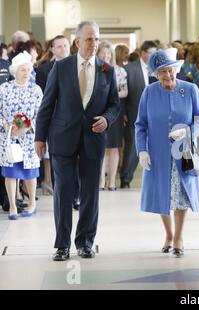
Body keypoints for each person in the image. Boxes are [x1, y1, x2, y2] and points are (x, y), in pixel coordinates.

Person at [34, 21, 120, 261]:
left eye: (97, 39)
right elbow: (47, 105)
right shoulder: (60, 68)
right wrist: (40, 138)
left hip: (93, 139)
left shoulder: (107, 70)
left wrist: (107, 118)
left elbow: (114, 104)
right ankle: (62, 245)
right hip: (63, 138)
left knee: (91, 193)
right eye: (90, 39)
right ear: (77, 42)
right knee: (63, 191)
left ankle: (85, 242)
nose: (94, 44)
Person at [135, 49, 199, 257]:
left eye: (170, 70)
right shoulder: (149, 92)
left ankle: (179, 237)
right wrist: (142, 151)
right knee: (163, 194)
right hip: (157, 153)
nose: (167, 76)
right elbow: (140, 124)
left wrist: (189, 133)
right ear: (156, 75)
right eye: (162, 72)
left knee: (181, 195)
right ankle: (168, 234)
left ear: (176, 69)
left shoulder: (190, 89)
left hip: (183, 151)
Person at [0, 51, 42, 220]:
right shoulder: (4, 89)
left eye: (28, 69)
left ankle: (32, 203)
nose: (27, 73)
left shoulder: (35, 89)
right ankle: (12, 206)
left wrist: (25, 127)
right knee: (10, 172)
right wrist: (6, 124)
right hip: (8, 136)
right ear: (14, 71)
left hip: (28, 137)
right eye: (23, 70)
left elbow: (41, 113)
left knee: (30, 172)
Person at [35, 35, 71, 196]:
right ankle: (61, 194)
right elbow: (43, 100)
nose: (63, 49)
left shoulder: (79, 66)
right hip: (55, 121)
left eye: (65, 45)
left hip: (75, 120)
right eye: (59, 46)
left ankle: (75, 195)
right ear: (52, 49)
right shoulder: (44, 70)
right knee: (59, 159)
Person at [120, 40, 158, 189]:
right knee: (133, 147)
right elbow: (123, 94)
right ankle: (126, 178)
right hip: (134, 113)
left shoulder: (158, 69)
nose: (155, 56)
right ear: (143, 54)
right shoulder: (129, 69)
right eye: (152, 53)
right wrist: (122, 112)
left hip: (156, 114)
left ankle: (156, 177)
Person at [97, 41, 128, 191]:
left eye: (109, 53)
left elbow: (125, 92)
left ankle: (112, 181)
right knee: (101, 146)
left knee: (114, 147)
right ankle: (101, 179)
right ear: (98, 53)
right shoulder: (95, 69)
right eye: (103, 52)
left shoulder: (120, 71)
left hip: (115, 111)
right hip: (98, 111)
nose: (106, 55)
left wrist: (109, 95)